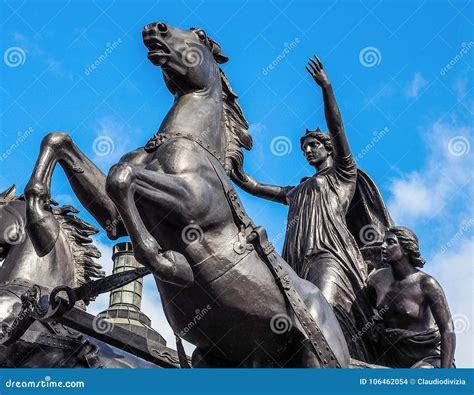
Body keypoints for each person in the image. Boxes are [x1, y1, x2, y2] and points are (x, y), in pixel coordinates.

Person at [232, 56, 389, 361]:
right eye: (303, 148)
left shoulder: (343, 174)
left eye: (313, 145)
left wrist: (326, 88)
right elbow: (254, 186)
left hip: (331, 256)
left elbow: (338, 127)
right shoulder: (298, 189)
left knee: (322, 314)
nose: (307, 150)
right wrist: (234, 169)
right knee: (295, 320)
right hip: (296, 260)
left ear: (328, 148)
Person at [367, 226, 456, 368]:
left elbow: (447, 329)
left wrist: (444, 376)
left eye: (390, 242)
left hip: (428, 358)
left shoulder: (426, 284)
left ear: (406, 248)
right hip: (392, 360)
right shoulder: (376, 279)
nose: (383, 246)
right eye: (383, 242)